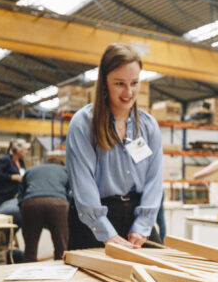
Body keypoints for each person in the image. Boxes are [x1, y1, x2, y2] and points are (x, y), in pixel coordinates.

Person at [66, 42, 162, 251]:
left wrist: (143, 225)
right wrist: (105, 233)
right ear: (104, 83)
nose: (129, 92)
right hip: (93, 221)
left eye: (134, 83)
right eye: (119, 83)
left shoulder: (148, 126)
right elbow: (83, 183)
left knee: (160, 276)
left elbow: (155, 180)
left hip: (137, 219)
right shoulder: (83, 124)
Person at [17, 158, 69, 262]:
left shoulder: (30, 170)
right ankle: (61, 273)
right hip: (58, 204)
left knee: (30, 249)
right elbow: (71, 193)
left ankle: (27, 274)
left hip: (31, 203)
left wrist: (24, 211)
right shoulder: (65, 170)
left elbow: (20, 195)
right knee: (61, 248)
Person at [0, 138, 28, 212]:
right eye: (25, 149)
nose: (26, 152)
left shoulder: (21, 161)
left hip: (11, 197)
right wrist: (12, 177)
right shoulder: (5, 159)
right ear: (18, 150)